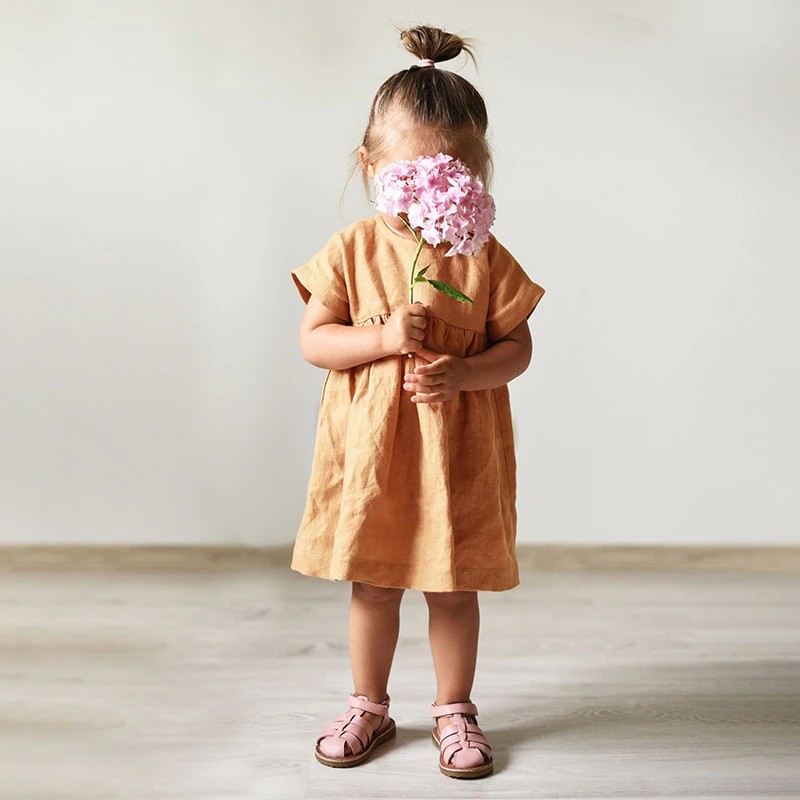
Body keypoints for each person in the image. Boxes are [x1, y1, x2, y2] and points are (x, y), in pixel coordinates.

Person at [289, 25, 545, 780]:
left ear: (476, 175)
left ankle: (454, 708)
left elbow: (518, 348)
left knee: (453, 585)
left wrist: (466, 375)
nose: (429, 195)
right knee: (373, 583)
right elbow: (315, 342)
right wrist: (380, 337)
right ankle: (368, 703)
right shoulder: (351, 250)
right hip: (373, 452)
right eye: (410, 177)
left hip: (454, 454)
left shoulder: (482, 256)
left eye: (452, 175)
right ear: (370, 167)